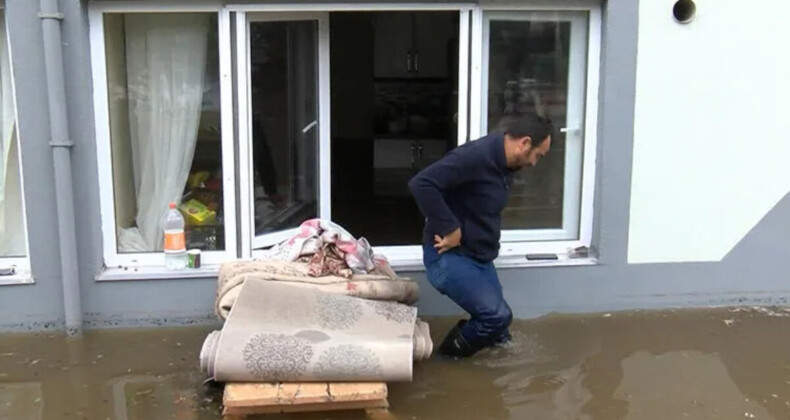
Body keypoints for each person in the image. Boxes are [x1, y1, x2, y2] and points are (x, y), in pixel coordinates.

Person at [407, 113, 553, 358]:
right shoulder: (474, 157)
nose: (535, 163)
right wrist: (450, 228)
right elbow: (422, 184)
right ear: (524, 143)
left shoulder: (506, 163)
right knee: (496, 317)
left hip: (480, 258)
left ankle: (489, 376)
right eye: (538, 155)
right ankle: (446, 363)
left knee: (499, 333)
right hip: (449, 256)